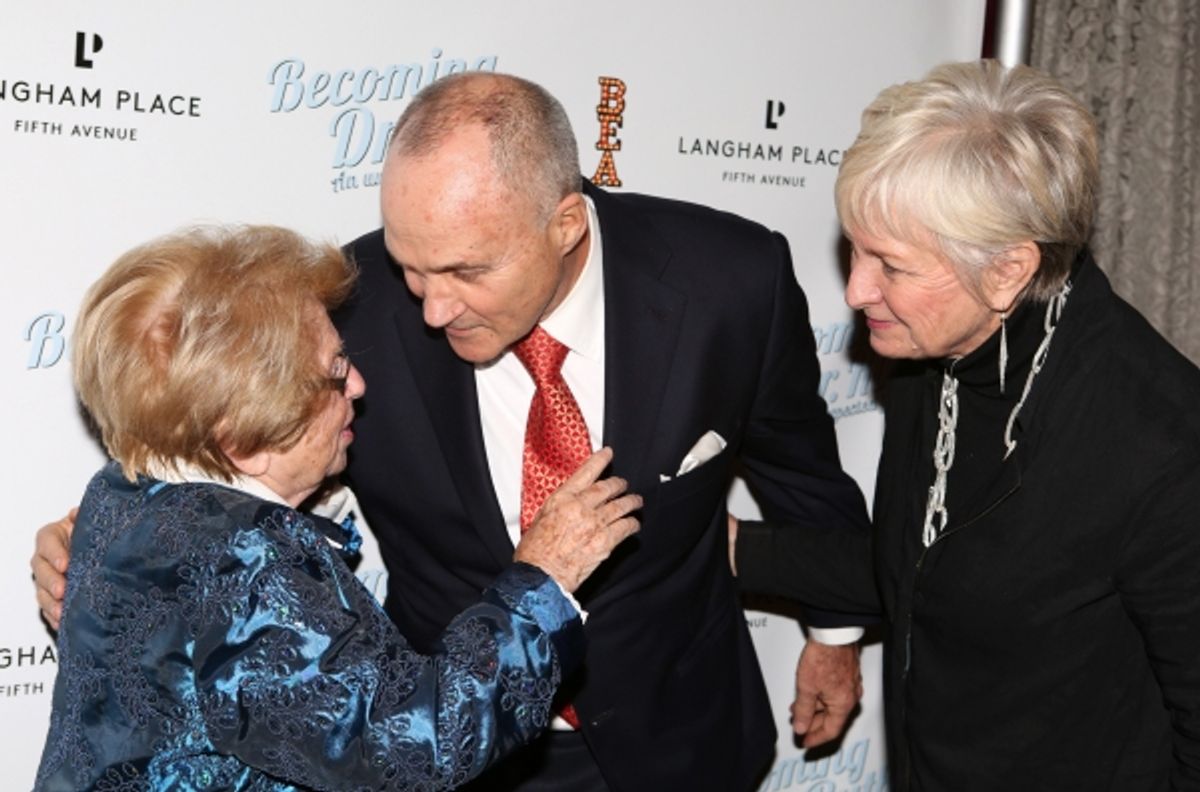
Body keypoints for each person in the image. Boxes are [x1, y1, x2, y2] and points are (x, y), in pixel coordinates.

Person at [35, 73, 878, 791]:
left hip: (678, 740)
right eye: (410, 266)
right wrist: (101, 557)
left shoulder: (729, 281)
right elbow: (229, 471)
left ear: (565, 225)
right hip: (460, 750)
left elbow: (804, 473)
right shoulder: (349, 311)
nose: (431, 307)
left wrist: (834, 638)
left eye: (467, 271)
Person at [34, 225, 641, 791]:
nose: (358, 386)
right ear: (242, 439)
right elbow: (417, 743)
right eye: (333, 374)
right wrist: (542, 581)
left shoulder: (119, 491)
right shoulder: (246, 567)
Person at [735, 60, 1200, 790]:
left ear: (1010, 269)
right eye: (854, 249)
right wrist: (732, 548)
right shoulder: (937, 350)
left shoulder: (1160, 444)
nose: (857, 290)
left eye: (891, 264)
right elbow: (924, 568)